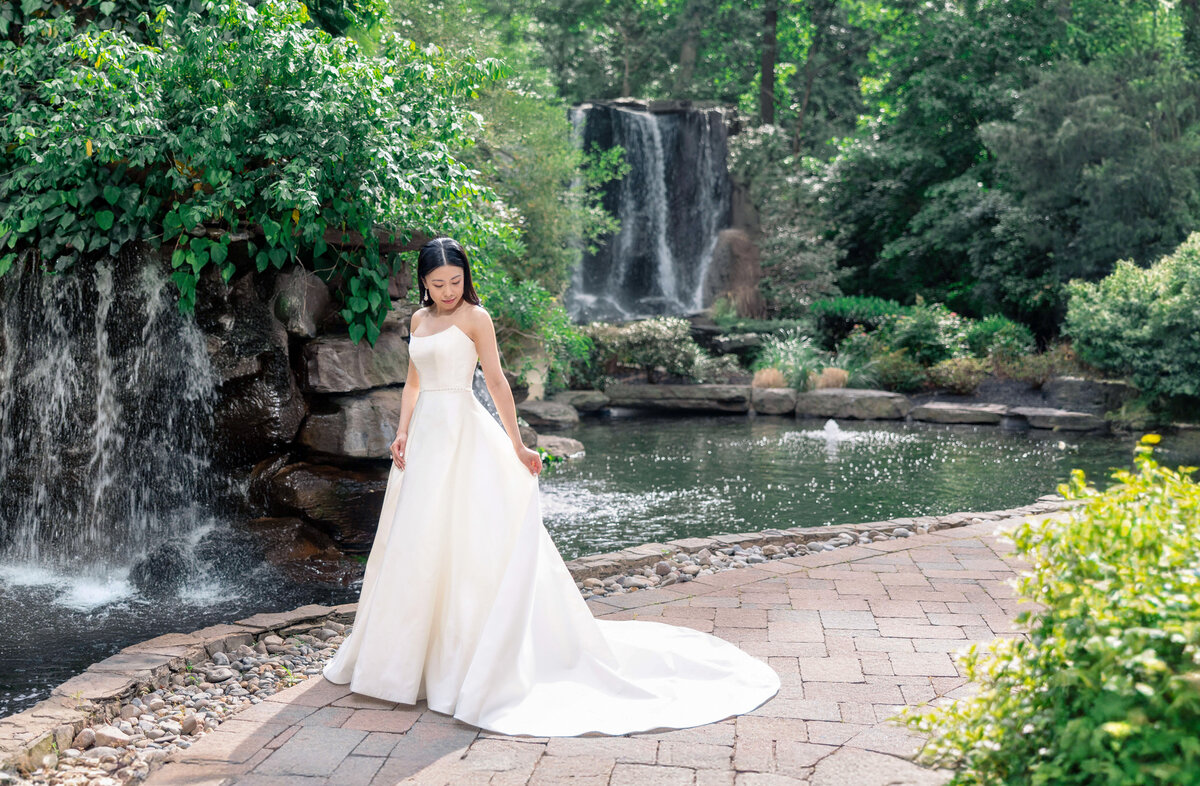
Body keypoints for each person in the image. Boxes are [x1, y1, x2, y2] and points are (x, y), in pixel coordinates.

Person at [322, 237, 779, 736]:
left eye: (456, 281)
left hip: (465, 432)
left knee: (469, 540)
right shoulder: (418, 320)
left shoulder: (478, 318)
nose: (448, 291)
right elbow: (412, 382)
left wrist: (517, 446)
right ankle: (407, 660)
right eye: (438, 284)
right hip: (426, 437)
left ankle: (467, 661)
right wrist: (403, 429)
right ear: (423, 283)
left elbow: (495, 383)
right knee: (418, 542)